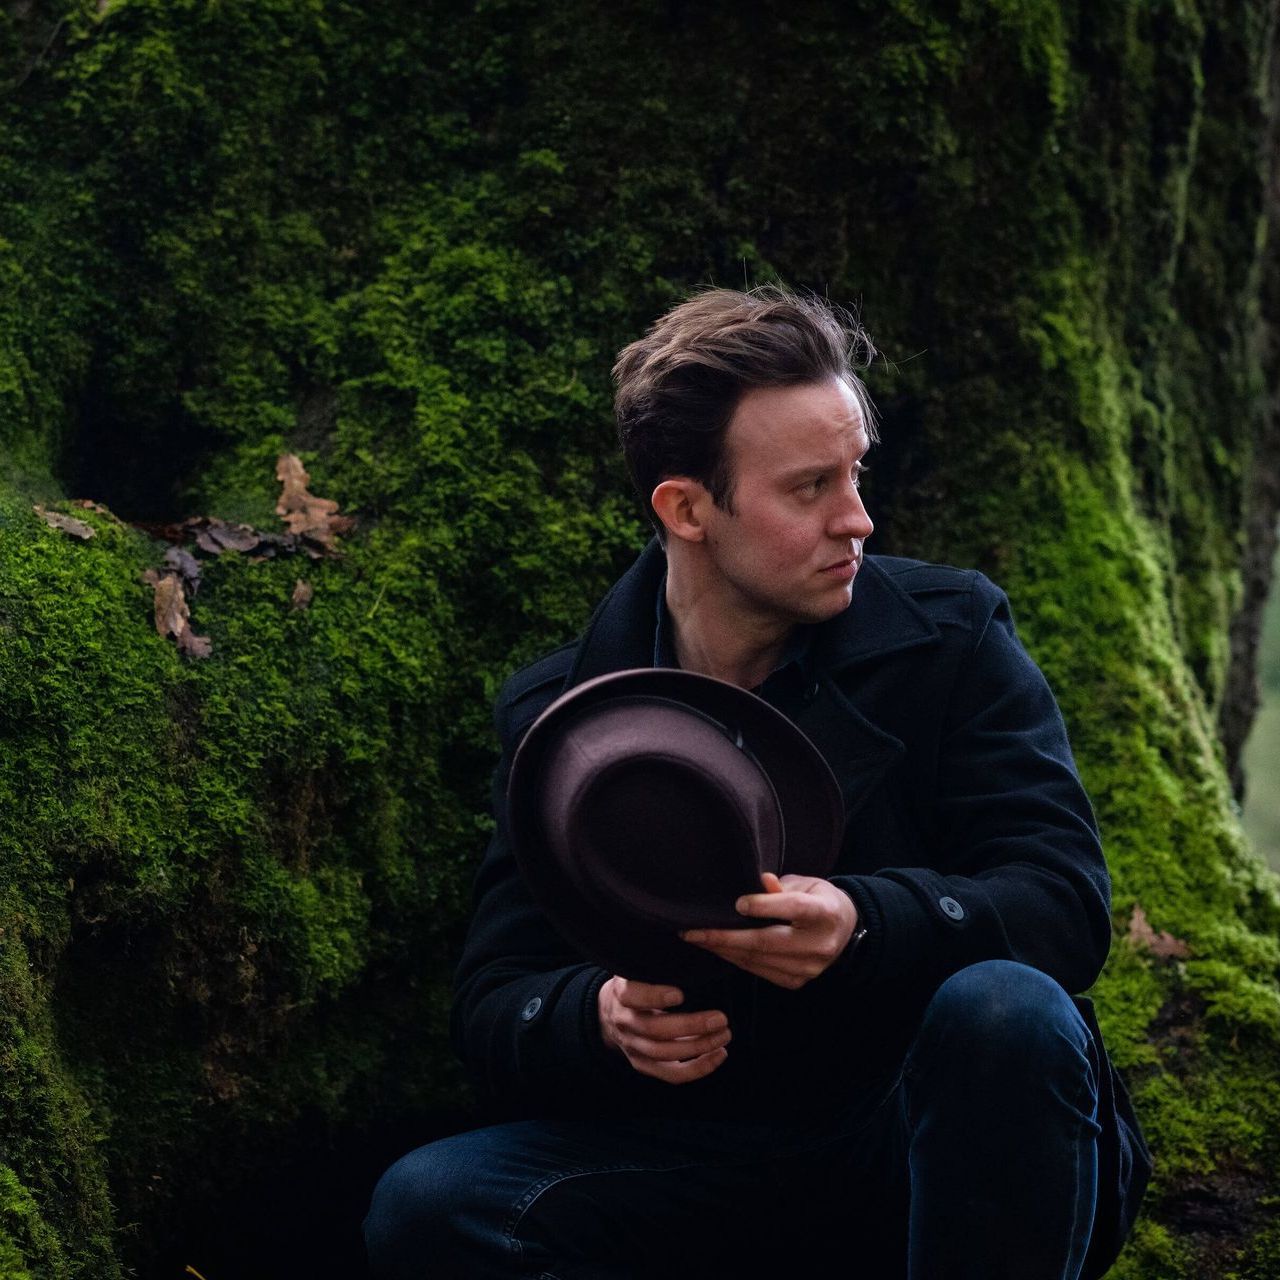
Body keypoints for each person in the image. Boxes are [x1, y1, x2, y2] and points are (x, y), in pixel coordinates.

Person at [363, 285, 1149, 1279]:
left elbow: (1065, 906)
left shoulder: (950, 639)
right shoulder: (563, 715)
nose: (856, 519)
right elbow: (492, 1001)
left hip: (929, 1146)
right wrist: (596, 1016)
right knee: (429, 1204)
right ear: (686, 507)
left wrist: (867, 922)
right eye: (808, 487)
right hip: (697, 1161)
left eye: (854, 473)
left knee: (1006, 1008)